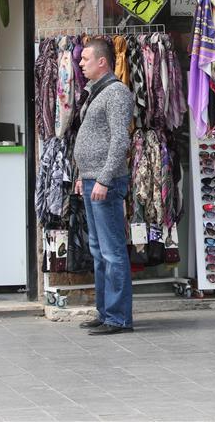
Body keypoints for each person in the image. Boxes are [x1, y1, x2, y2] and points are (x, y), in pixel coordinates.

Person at [73, 38, 135, 335]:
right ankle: (105, 311)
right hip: (91, 179)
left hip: (104, 182)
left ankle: (118, 317)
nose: (81, 63)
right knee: (98, 250)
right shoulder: (95, 93)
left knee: (111, 251)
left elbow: (119, 140)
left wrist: (104, 178)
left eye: (85, 59)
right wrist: (83, 175)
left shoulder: (116, 93)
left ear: (102, 62)